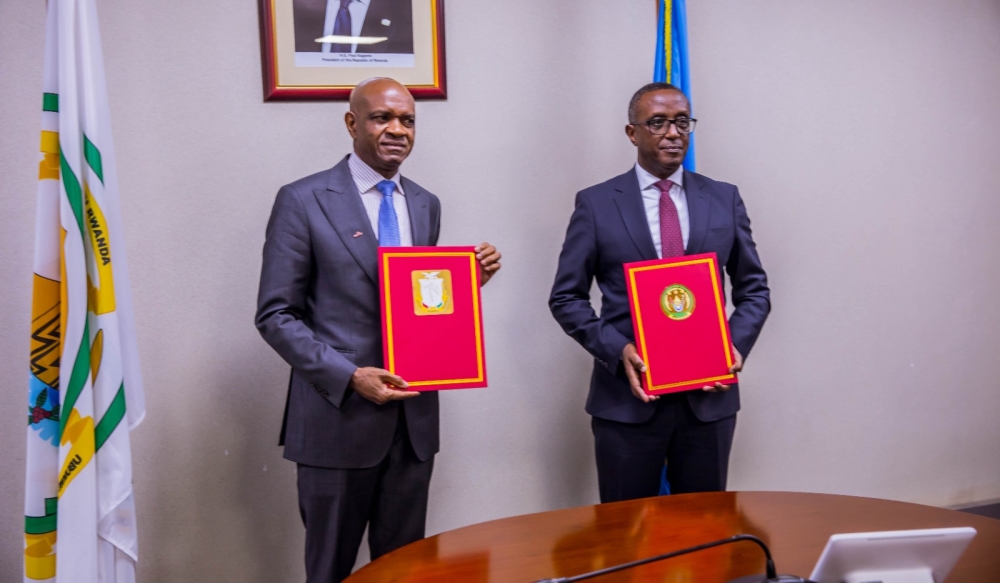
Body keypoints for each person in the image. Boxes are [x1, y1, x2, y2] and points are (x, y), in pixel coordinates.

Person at [255, 77, 501, 582]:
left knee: (406, 573)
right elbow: (275, 315)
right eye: (382, 117)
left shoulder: (425, 203)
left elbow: (415, 305)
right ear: (351, 123)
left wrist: (464, 284)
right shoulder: (303, 200)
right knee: (330, 572)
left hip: (412, 427)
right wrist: (350, 376)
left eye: (407, 120)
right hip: (337, 421)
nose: (397, 130)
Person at [549, 82, 770, 503]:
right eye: (658, 123)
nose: (673, 133)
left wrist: (734, 345)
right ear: (632, 133)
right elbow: (566, 298)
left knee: (704, 535)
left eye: (682, 122)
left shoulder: (724, 199)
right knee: (626, 538)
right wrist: (618, 350)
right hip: (627, 404)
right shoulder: (596, 204)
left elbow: (755, 289)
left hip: (709, 404)